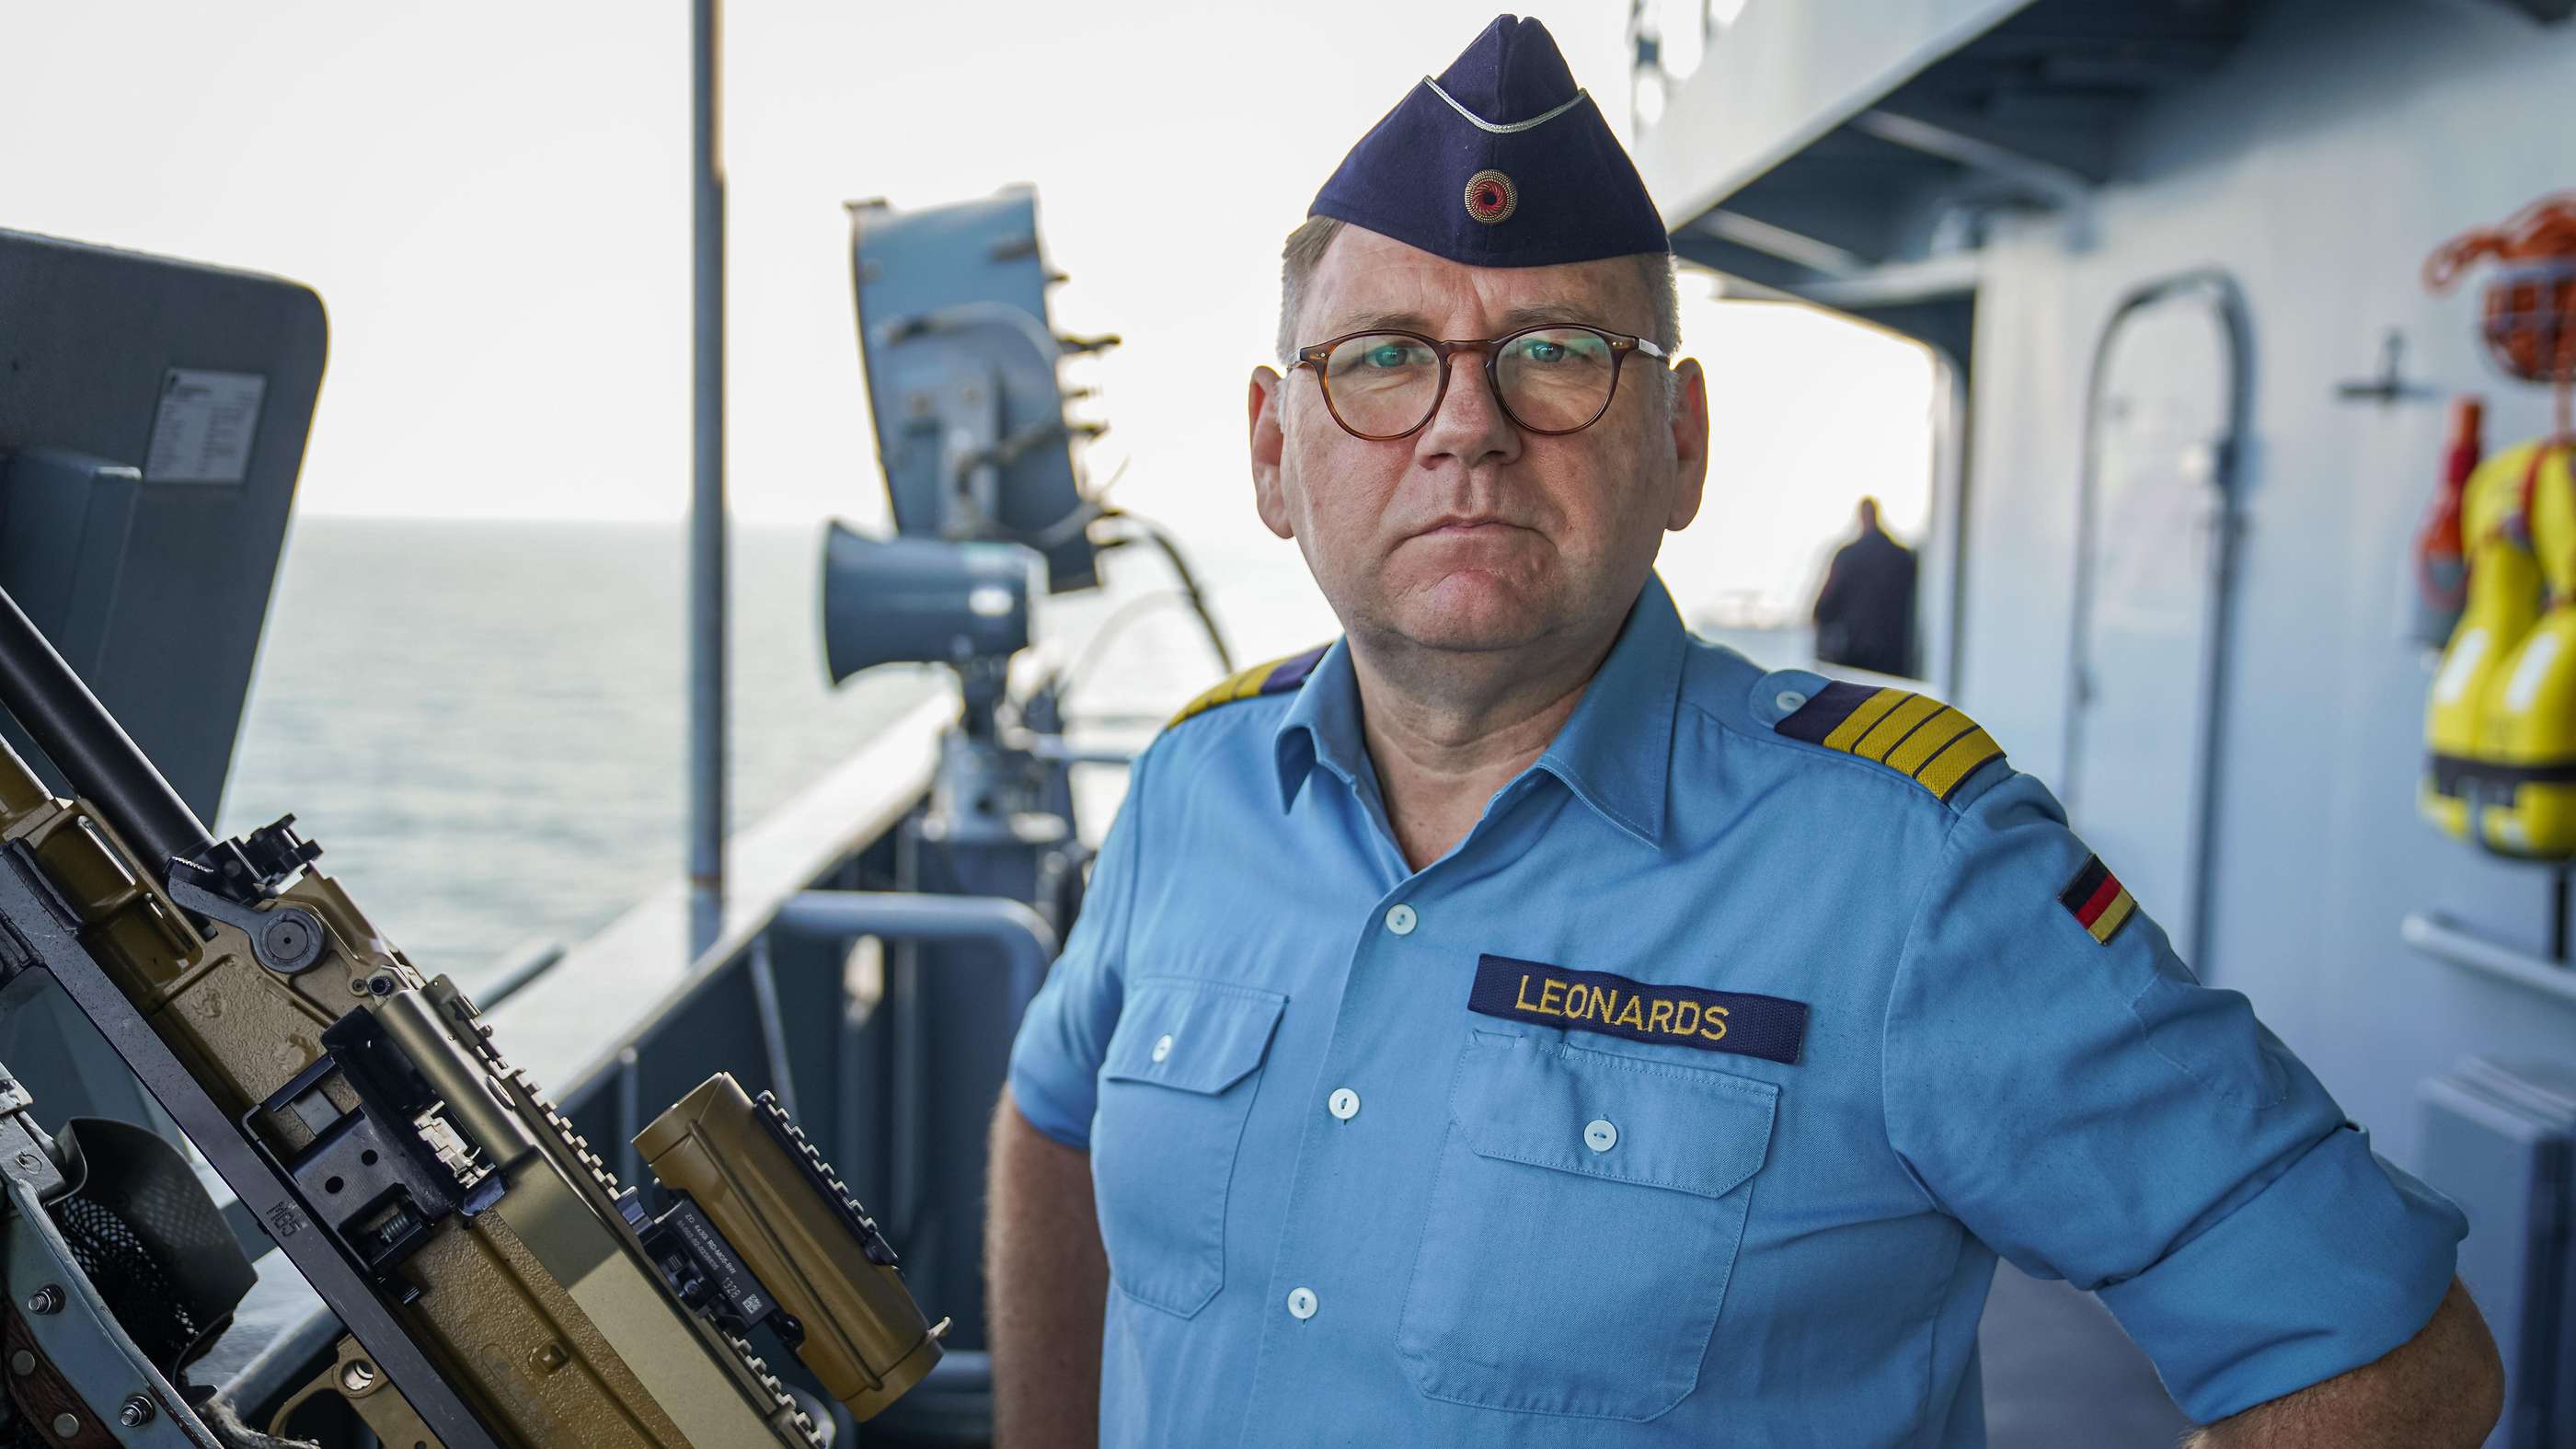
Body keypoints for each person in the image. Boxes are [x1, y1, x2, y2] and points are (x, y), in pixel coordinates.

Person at [988, 15, 2500, 1448]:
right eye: (1383, 357)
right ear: (1274, 450)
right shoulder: (1198, 784)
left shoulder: (1910, 872)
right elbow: (1053, 1117)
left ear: (1683, 445)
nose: (1469, 425)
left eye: (1559, 354)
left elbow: (2384, 1356)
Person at [1811, 495, 1918, 676]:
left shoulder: (1848, 555)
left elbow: (1825, 605)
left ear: (1860, 517)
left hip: (1855, 653)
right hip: (1893, 656)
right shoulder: (1903, 557)